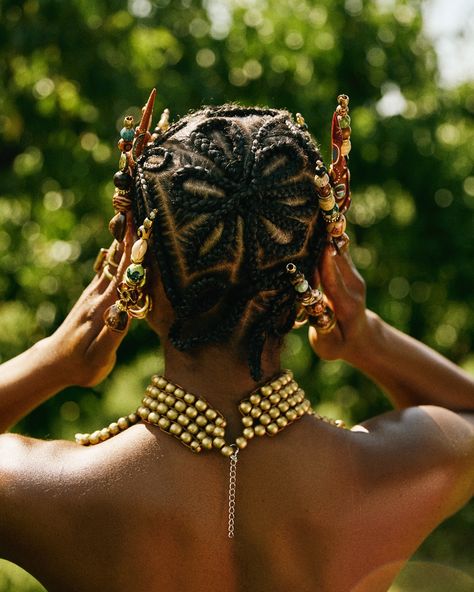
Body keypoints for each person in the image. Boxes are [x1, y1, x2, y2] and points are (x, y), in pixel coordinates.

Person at [0, 103, 472, 592]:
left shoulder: (52, 491)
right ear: (313, 277)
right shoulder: (388, 472)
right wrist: (367, 338)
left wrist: (55, 360)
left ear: (140, 275)